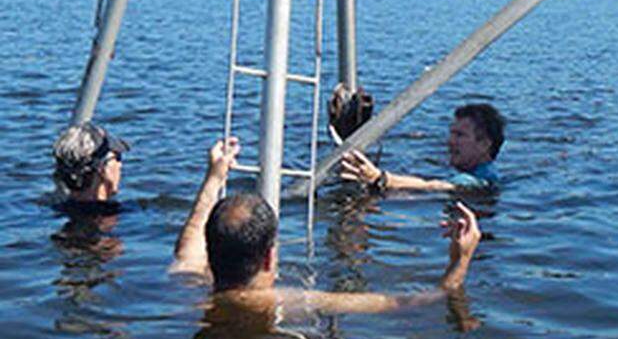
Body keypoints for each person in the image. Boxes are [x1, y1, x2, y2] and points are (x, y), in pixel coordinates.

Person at [171, 137, 481, 314]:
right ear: (268, 258)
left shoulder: (185, 282)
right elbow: (404, 302)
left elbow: (191, 242)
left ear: (211, 251)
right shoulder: (288, 301)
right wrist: (460, 261)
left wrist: (214, 178)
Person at [340, 102, 505, 192]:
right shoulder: (486, 173)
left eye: (460, 135)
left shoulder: (475, 180)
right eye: (452, 134)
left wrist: (380, 178)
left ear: (484, 144)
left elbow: (435, 186)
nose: (450, 141)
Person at [52, 122, 129, 212]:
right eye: (118, 157)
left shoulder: (51, 210)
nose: (120, 165)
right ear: (104, 170)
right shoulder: (129, 215)